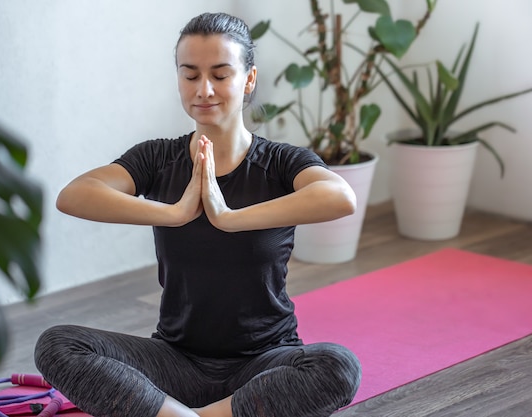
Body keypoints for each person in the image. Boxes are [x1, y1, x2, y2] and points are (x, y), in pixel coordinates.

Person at [34, 11, 361, 417]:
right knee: (57, 344)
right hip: (176, 362)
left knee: (338, 366)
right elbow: (74, 195)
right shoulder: (158, 157)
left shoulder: (280, 163)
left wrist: (226, 216)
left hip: (264, 364)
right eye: (190, 75)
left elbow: (340, 197)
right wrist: (175, 213)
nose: (203, 89)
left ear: (249, 80)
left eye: (221, 75)